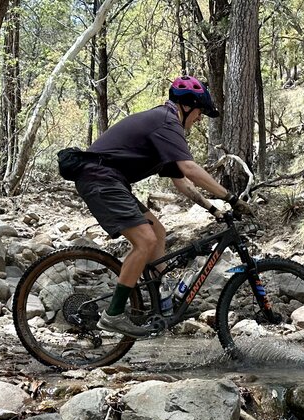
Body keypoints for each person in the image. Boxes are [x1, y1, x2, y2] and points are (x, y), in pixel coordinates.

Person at [72, 75, 250, 338]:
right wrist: (231, 198)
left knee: (158, 232)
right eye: (200, 112)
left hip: (110, 180)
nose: (200, 119)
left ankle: (163, 305)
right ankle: (113, 315)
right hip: (100, 178)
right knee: (145, 240)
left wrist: (213, 209)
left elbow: (182, 183)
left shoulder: (163, 126)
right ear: (187, 105)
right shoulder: (167, 122)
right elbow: (190, 169)